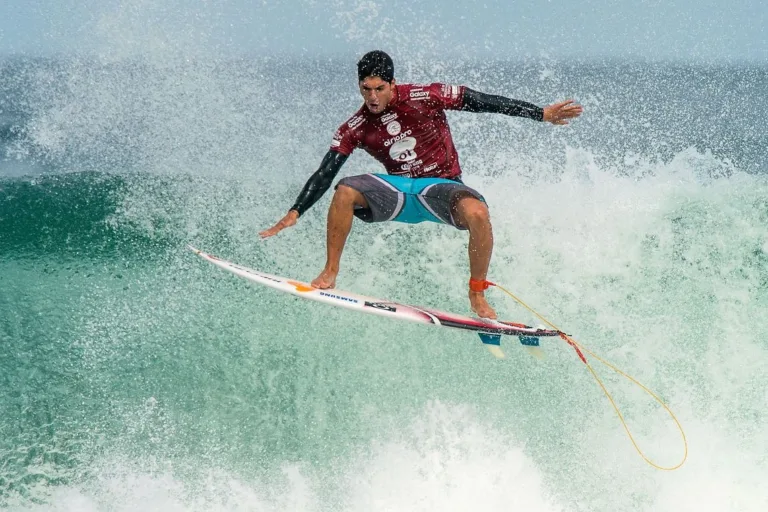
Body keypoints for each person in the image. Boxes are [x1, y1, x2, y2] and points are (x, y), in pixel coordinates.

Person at [260, 50, 582, 319]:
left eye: (379, 89)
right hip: (399, 193)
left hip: (440, 189)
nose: (372, 98)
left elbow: (482, 102)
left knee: (479, 214)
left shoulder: (424, 96)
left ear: (392, 83)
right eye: (366, 89)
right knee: (345, 190)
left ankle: (476, 293)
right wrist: (296, 211)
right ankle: (330, 271)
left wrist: (540, 113)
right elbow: (325, 171)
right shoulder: (355, 127)